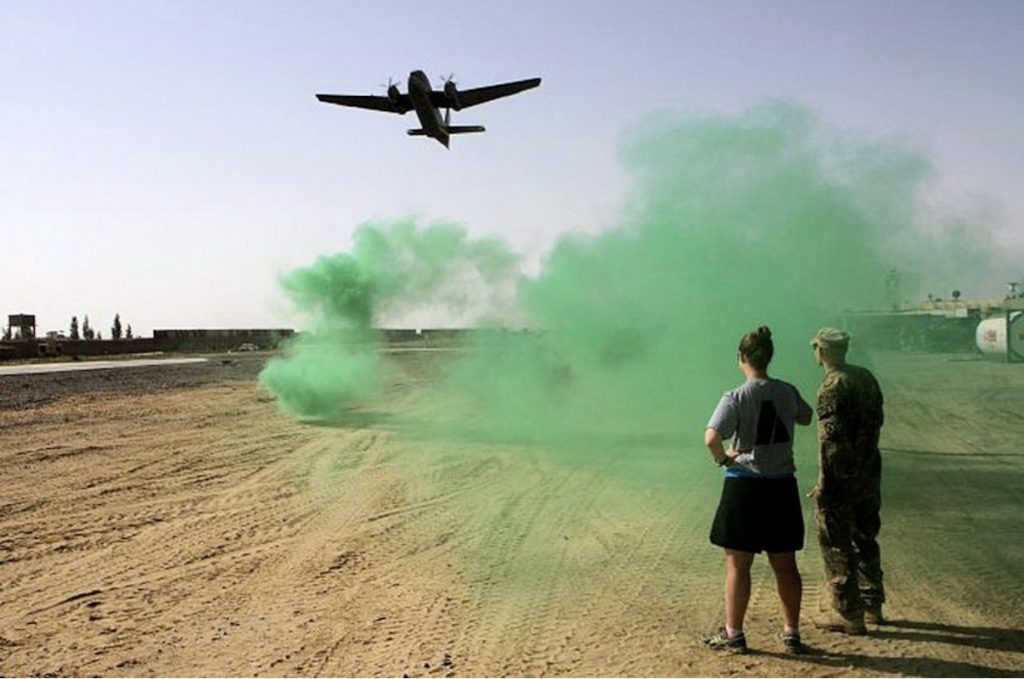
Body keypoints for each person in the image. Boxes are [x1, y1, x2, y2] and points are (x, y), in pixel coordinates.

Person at [701, 326, 813, 655]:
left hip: (745, 485)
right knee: (785, 564)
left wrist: (724, 459)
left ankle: (734, 633)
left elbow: (711, 437)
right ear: (769, 357)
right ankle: (792, 633)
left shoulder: (735, 396)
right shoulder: (787, 391)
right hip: (781, 485)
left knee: (739, 565)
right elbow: (805, 417)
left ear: (742, 358)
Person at [809, 327, 886, 635]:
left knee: (836, 541)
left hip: (842, 477)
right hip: (869, 470)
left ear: (822, 351)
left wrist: (824, 484)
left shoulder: (831, 387)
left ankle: (847, 612)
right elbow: (876, 422)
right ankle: (872, 605)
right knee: (867, 536)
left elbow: (832, 442)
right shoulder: (865, 377)